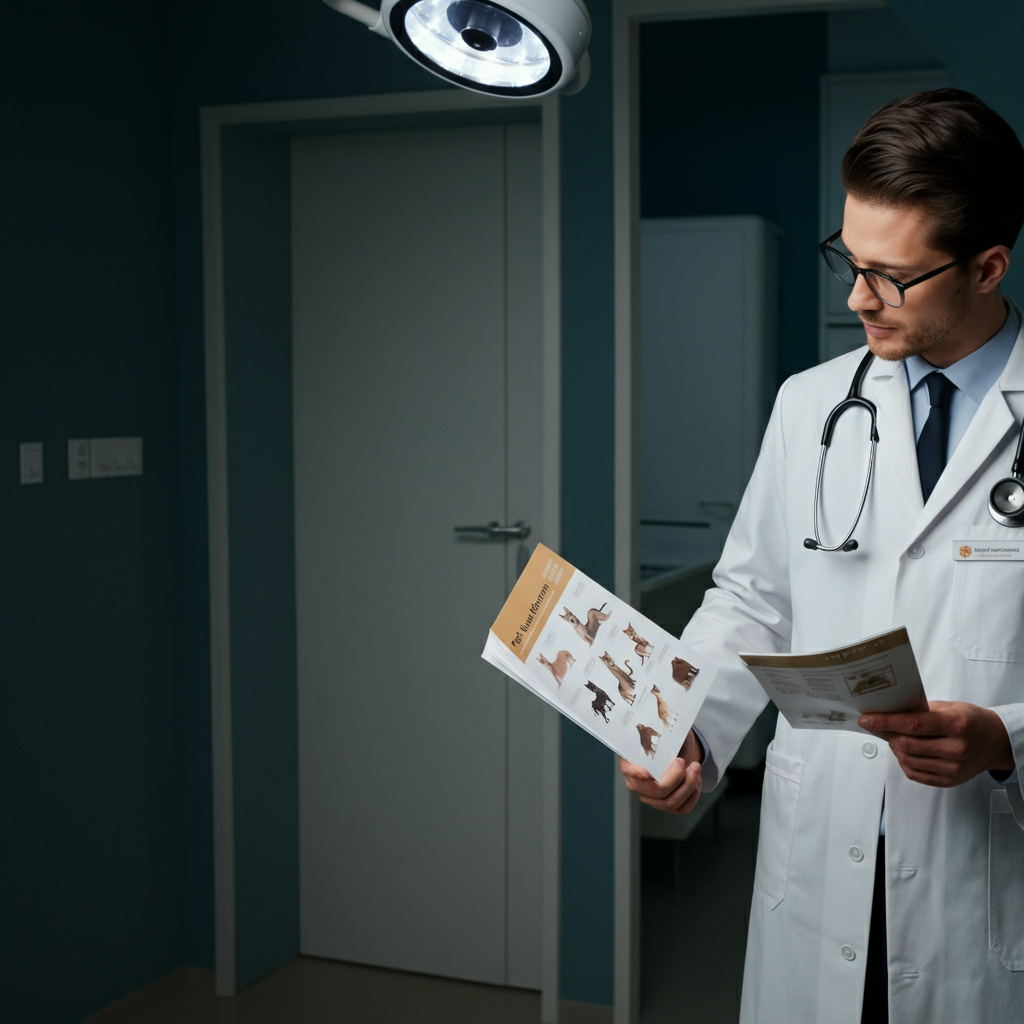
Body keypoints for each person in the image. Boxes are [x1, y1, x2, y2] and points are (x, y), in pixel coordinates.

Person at [621, 89, 1024, 1024]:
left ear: (988, 266)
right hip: (825, 858)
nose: (855, 298)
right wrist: (690, 727)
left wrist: (1005, 741)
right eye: (848, 259)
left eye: (890, 276)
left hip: (985, 882)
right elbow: (752, 599)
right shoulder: (811, 403)